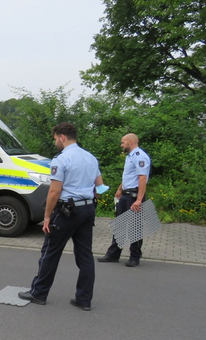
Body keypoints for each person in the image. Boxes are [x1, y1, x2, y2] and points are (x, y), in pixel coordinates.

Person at [18, 122, 104, 311]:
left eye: (55, 138)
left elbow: (54, 192)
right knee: (85, 255)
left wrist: (47, 217)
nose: (55, 141)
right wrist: (89, 199)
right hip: (88, 210)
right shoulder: (90, 158)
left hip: (67, 212)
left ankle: (39, 293)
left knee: (50, 252)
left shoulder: (61, 159)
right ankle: (84, 299)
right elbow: (100, 187)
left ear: (62, 137)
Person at [98, 133, 152, 267]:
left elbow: (142, 179)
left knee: (135, 227)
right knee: (119, 224)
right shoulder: (130, 157)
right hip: (125, 194)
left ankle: (135, 256)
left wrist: (139, 199)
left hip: (134, 196)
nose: (121, 145)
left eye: (123, 143)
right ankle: (113, 254)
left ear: (131, 142)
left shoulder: (140, 156)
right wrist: (120, 189)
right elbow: (129, 176)